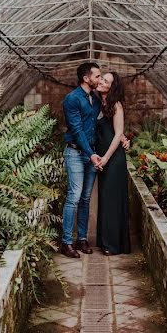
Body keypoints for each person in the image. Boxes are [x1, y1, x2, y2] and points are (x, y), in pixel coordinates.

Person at [60, 62, 102, 258]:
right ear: (86, 78)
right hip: (76, 153)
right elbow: (76, 130)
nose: (100, 80)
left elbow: (99, 124)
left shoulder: (95, 98)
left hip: (91, 153)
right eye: (97, 76)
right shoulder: (72, 99)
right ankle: (66, 242)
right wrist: (90, 154)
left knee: (85, 198)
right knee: (74, 197)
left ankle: (82, 239)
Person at [94, 71, 131, 255]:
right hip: (102, 155)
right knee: (104, 198)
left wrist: (106, 158)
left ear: (112, 87)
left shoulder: (116, 105)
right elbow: (116, 131)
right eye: (101, 78)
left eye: (105, 81)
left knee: (112, 199)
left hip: (113, 158)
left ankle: (113, 245)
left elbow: (117, 133)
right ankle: (105, 241)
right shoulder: (97, 101)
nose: (101, 81)